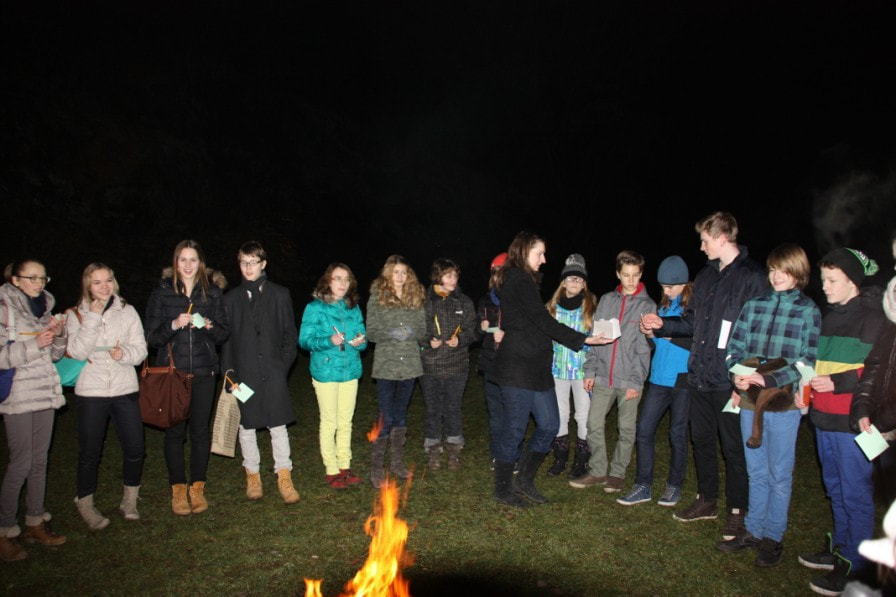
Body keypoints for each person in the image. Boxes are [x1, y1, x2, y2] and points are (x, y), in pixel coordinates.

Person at [641, 211, 767, 540]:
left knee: (733, 448)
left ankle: (738, 511)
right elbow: (692, 323)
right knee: (702, 441)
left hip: (732, 380)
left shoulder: (753, 277)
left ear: (722, 238)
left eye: (705, 240)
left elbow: (758, 334)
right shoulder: (706, 277)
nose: (701, 246)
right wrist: (663, 325)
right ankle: (707, 500)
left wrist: (746, 379)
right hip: (699, 376)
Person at [714, 244, 821, 568]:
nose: (776, 276)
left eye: (783, 270)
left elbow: (808, 360)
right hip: (749, 402)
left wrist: (771, 379)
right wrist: (737, 374)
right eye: (773, 270)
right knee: (756, 471)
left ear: (798, 273)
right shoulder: (754, 305)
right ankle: (753, 530)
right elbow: (735, 347)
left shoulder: (808, 311)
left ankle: (773, 536)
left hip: (783, 405)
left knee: (779, 474)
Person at [489, 231, 604, 508]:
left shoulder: (526, 280)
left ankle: (525, 479)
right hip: (517, 367)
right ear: (524, 251)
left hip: (537, 367)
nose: (544, 259)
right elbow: (543, 320)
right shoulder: (517, 278)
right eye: (539, 253)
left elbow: (537, 321)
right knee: (515, 430)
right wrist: (583, 339)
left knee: (551, 424)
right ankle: (503, 489)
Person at [797, 247, 885, 595]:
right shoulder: (829, 317)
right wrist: (808, 392)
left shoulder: (875, 319)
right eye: (823, 280)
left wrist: (837, 382)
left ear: (853, 281)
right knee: (834, 488)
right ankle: (840, 549)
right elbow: (818, 366)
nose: (825, 287)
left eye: (832, 280)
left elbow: (878, 373)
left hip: (852, 424)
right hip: (824, 419)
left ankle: (856, 566)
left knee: (856, 494)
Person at [145, 240, 229, 516]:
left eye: (193, 259)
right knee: (175, 432)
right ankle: (178, 489)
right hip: (174, 374)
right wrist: (173, 324)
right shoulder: (162, 293)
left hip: (205, 372)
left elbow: (223, 334)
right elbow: (151, 338)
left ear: (201, 263)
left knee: (200, 432)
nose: (188, 265)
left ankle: (197, 487)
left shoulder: (212, 293)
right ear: (175, 262)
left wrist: (209, 326)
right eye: (183, 259)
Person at [66, 263, 148, 530]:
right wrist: (92, 317)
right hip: (92, 390)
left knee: (135, 448)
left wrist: (125, 353)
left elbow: (141, 349)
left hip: (124, 388)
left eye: (108, 280)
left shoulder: (127, 311)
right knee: (90, 452)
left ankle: (129, 500)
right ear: (88, 285)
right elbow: (77, 352)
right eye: (97, 282)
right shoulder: (76, 314)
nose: (104, 287)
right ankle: (85, 502)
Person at [569, 250, 657, 493]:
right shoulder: (607, 301)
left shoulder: (648, 305)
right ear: (618, 273)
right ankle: (598, 470)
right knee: (593, 423)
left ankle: (617, 474)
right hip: (603, 376)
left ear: (641, 274)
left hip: (629, 379)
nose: (631, 280)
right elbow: (596, 337)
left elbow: (644, 348)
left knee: (626, 429)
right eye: (626, 275)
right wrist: (590, 371)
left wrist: (637, 382)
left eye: (635, 275)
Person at [0, 259, 68, 562]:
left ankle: (35, 522)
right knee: (20, 463)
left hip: (45, 393)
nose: (39, 283)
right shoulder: (4, 310)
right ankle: (4, 530)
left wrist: (58, 334)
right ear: (15, 280)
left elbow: (55, 355)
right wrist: (35, 344)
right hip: (18, 395)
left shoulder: (44, 310)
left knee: (40, 461)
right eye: (32, 277)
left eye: (43, 278)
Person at [222, 241, 299, 503]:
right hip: (244, 373)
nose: (248, 267)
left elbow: (289, 334)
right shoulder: (231, 299)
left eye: (253, 262)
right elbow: (227, 342)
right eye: (244, 262)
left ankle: (284, 475)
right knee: (247, 426)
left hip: (273, 371)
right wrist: (230, 375)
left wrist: (282, 366)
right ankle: (252, 475)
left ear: (263, 264)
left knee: (278, 424)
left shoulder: (280, 294)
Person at [617, 255, 693, 507]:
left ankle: (674, 485)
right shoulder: (663, 308)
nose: (666, 291)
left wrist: (669, 333)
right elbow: (658, 343)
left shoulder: (692, 309)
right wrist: (650, 333)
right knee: (644, 430)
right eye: (663, 287)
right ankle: (643, 485)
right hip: (659, 378)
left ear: (683, 283)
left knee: (677, 434)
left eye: (670, 286)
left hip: (682, 379)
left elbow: (698, 339)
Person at [299, 262, 367, 490]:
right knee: (329, 422)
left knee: (345, 421)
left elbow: (362, 337)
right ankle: (331, 469)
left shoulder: (353, 308)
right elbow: (305, 340)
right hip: (326, 371)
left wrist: (359, 342)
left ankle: (345, 467)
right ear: (328, 280)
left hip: (350, 370)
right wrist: (329, 340)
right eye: (337, 278)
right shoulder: (315, 307)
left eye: (346, 279)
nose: (342, 283)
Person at [365, 255, 427, 488]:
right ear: (388, 273)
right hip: (386, 365)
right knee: (386, 416)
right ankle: (376, 468)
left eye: (404, 272)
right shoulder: (377, 297)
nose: (400, 276)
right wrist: (391, 333)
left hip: (409, 364)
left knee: (401, 415)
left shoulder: (415, 295)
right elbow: (371, 331)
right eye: (396, 272)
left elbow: (422, 328)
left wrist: (411, 332)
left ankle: (397, 463)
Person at [850, 232, 896, 509]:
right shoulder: (890, 316)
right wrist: (864, 406)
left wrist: (887, 418)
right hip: (887, 427)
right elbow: (877, 364)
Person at [420, 258, 478, 470]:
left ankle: (454, 448)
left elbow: (473, 329)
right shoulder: (425, 302)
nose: (453, 279)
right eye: (448, 275)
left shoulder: (464, 302)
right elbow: (418, 329)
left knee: (453, 407)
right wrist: (428, 340)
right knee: (433, 408)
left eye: (455, 275)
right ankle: (433, 448)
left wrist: (461, 339)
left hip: (457, 365)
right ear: (438, 277)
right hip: (430, 365)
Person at [545, 254, 596, 478]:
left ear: (584, 284)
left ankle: (582, 460)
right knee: (560, 413)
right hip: (557, 369)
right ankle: (560, 456)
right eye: (570, 278)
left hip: (582, 371)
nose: (574, 282)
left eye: (579, 279)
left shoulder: (591, 308)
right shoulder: (551, 308)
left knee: (583, 415)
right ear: (563, 282)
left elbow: (597, 341)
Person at [476, 252, 507, 470]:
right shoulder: (485, 301)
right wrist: (481, 328)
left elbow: (529, 331)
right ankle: (498, 454)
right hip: (490, 363)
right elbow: (475, 335)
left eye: (504, 272)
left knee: (513, 412)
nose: (499, 277)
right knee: (496, 412)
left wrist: (507, 335)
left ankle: (512, 454)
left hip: (513, 365)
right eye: (496, 273)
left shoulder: (520, 300)